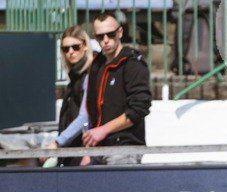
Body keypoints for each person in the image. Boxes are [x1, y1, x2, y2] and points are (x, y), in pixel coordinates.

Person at [82, 11, 151, 164]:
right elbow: (91, 109)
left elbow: (139, 109)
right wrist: (88, 148)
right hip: (98, 147)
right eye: (100, 37)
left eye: (110, 34)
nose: (106, 40)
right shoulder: (96, 64)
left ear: (120, 32)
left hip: (124, 147)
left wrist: (104, 130)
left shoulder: (132, 63)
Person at [43, 25, 95, 166]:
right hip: (71, 150)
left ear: (85, 45)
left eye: (75, 47)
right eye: (66, 49)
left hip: (83, 152)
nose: (71, 52)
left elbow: (84, 116)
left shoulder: (90, 74)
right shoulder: (74, 77)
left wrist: (58, 142)